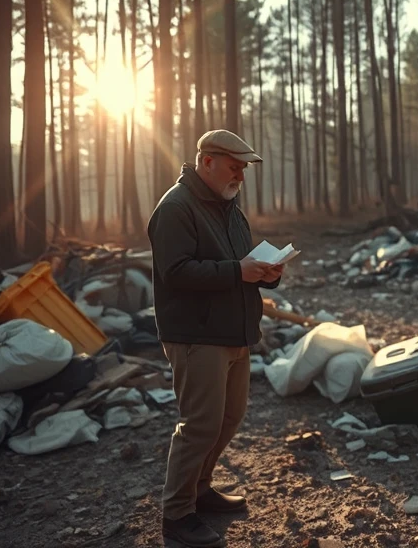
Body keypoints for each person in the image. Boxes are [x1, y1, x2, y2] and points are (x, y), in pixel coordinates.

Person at [147, 129, 283, 548]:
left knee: (229, 418)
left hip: (235, 332)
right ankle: (177, 513)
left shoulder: (229, 208)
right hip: (196, 334)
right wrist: (237, 271)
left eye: (244, 168)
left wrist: (269, 274)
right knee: (200, 426)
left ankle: (200, 489)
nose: (240, 175)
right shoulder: (176, 207)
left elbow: (240, 265)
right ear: (207, 161)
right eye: (234, 166)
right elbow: (177, 272)